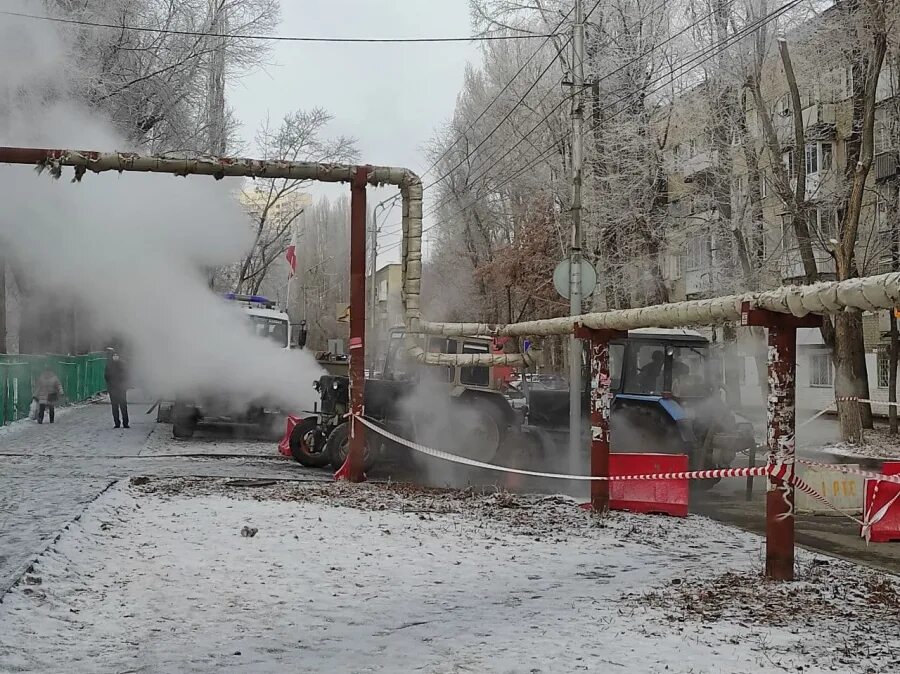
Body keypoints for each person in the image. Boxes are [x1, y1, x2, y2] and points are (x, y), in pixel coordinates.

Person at [104, 349, 130, 429]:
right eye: (114, 356)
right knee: (114, 407)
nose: (115, 357)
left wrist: (123, 384)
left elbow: (126, 376)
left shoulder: (122, 365)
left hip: (121, 388)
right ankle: (117, 423)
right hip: (113, 388)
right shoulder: (109, 365)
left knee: (123, 406)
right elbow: (106, 376)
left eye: (116, 355)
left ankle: (125, 423)